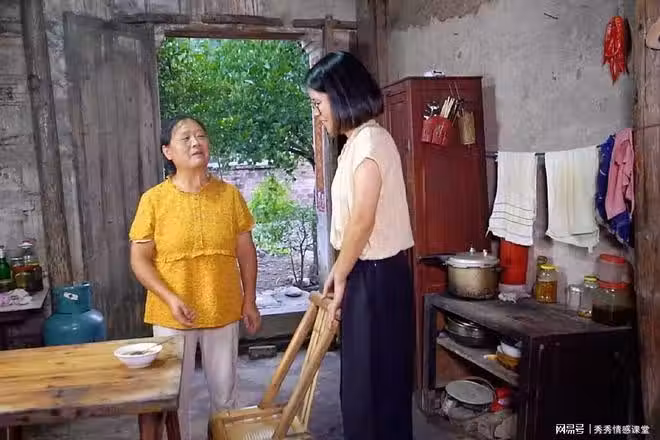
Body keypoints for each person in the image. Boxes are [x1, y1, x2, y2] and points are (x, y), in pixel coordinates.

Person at [129, 116, 261, 440]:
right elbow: (139, 260)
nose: (195, 143)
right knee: (175, 401)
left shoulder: (229, 196)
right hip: (170, 314)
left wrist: (250, 300)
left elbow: (246, 252)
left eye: (201, 135)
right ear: (167, 151)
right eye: (185, 137)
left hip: (223, 308)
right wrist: (170, 298)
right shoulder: (154, 200)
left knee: (225, 397)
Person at [306, 51, 415, 440]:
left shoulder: (372, 141)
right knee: (361, 384)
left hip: (378, 277)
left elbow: (362, 219)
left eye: (318, 104)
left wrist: (340, 275)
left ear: (341, 96)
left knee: (375, 386)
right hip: (366, 273)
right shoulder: (353, 143)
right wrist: (341, 273)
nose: (317, 114)